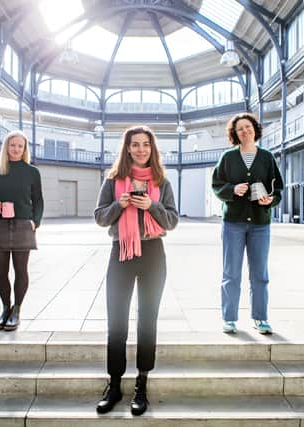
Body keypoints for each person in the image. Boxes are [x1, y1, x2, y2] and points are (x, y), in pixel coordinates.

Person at [94, 125, 179, 416]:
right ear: (127, 148)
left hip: (153, 253)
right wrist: (120, 204)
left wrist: (152, 205)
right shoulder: (113, 180)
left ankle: (142, 383)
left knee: (147, 321)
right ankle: (115, 384)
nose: (141, 149)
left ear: (152, 148)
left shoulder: (161, 181)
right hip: (122, 253)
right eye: (135, 144)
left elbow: (171, 221)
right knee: (116, 322)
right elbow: (100, 218)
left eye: (146, 144)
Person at [212, 112, 283, 335]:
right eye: (240, 128)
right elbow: (216, 184)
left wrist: (271, 200)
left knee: (260, 274)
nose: (245, 130)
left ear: (255, 128)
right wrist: (232, 190)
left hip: (260, 223)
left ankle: (260, 318)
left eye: (248, 126)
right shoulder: (228, 157)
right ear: (235, 133)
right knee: (231, 273)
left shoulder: (267, 157)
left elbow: (278, 189)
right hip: (233, 223)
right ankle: (229, 318)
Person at [0, 130, 43, 331]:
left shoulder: (32, 172)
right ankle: (5, 309)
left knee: (21, 270)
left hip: (23, 225)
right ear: (6, 147)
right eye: (12, 145)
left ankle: (17, 310)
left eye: (20, 146)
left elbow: (39, 200)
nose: (16, 149)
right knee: (0, 270)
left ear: (24, 149)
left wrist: (36, 222)